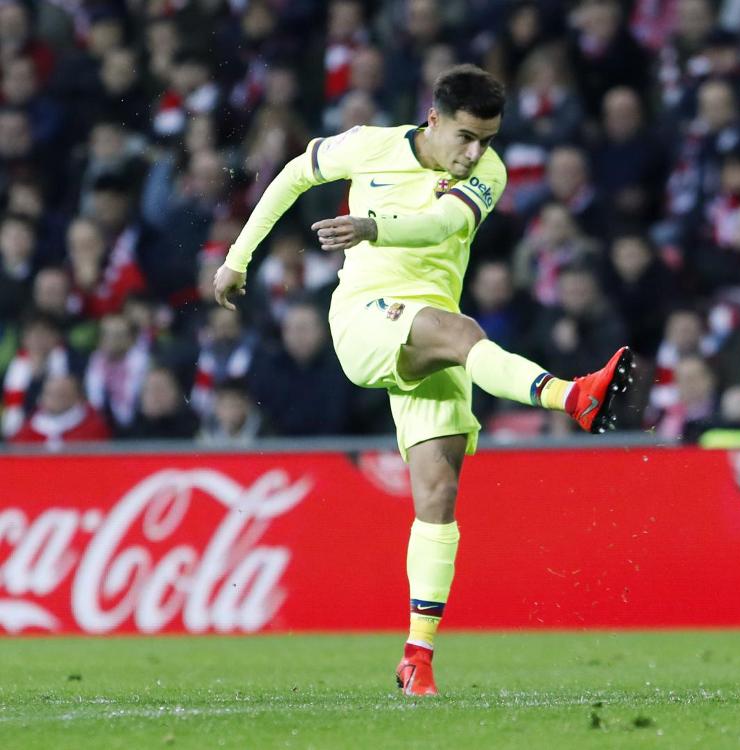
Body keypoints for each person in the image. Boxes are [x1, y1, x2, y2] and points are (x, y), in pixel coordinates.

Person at [211, 64, 634, 697]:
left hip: (430, 333)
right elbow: (296, 172)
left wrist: (371, 226)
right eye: (466, 137)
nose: (476, 153)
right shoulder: (369, 145)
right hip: (365, 319)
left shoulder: (488, 173)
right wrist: (237, 259)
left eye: (487, 140)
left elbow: (441, 225)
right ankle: (572, 396)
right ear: (433, 119)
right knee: (462, 332)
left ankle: (418, 659)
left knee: (438, 494)